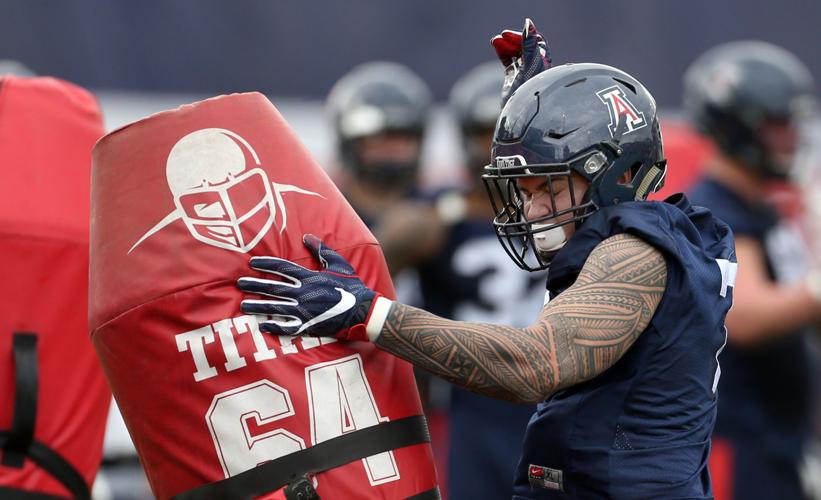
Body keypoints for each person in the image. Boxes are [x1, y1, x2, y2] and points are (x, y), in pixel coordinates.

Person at [238, 19, 736, 498]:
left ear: (612, 172)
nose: (534, 208)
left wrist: (370, 314)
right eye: (525, 189)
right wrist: (545, 108)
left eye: (548, 186)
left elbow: (536, 365)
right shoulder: (632, 238)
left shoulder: (639, 251)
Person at [684, 41, 820, 500]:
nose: (791, 139)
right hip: (734, 444)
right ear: (734, 126)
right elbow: (748, 317)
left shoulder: (761, 207)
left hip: (773, 438)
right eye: (776, 126)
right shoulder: (713, 211)